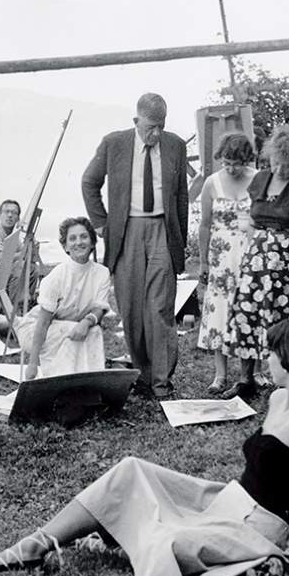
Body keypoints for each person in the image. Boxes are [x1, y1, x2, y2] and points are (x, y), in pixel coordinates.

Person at [0, 320, 289, 576]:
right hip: (228, 499)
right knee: (131, 471)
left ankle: (111, 534)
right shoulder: (278, 398)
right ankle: (33, 547)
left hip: (262, 528)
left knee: (163, 543)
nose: (267, 360)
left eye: (272, 353)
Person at [82, 93, 188, 399]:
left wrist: (178, 240)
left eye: (161, 126)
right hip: (126, 231)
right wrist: (102, 223)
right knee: (131, 308)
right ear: (136, 121)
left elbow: (181, 197)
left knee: (160, 307)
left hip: (162, 231)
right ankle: (142, 376)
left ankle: (161, 382)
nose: (155, 133)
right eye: (150, 127)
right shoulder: (114, 143)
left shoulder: (175, 146)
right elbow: (89, 183)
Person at [222, 126, 289, 399]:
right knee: (247, 313)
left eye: (287, 165)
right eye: (276, 163)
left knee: (280, 319)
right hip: (255, 258)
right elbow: (253, 217)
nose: (281, 169)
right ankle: (246, 379)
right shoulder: (260, 179)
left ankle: (286, 381)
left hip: (284, 261)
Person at [197, 132, 257, 395]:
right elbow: (205, 224)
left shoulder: (257, 179)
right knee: (219, 310)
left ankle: (250, 374)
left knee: (246, 309)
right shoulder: (211, 183)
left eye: (236, 163)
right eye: (226, 163)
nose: (231, 168)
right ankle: (220, 375)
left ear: (247, 159)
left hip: (249, 252)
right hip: (221, 256)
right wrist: (203, 263)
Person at [14, 217, 110, 379]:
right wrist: (32, 364)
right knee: (72, 330)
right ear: (65, 247)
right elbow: (43, 323)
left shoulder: (102, 272)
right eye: (72, 239)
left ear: (93, 243)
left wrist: (87, 322)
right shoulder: (57, 276)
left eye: (84, 236)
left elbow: (99, 307)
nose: (78, 242)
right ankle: (62, 382)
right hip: (38, 329)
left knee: (94, 331)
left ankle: (89, 383)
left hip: (73, 325)